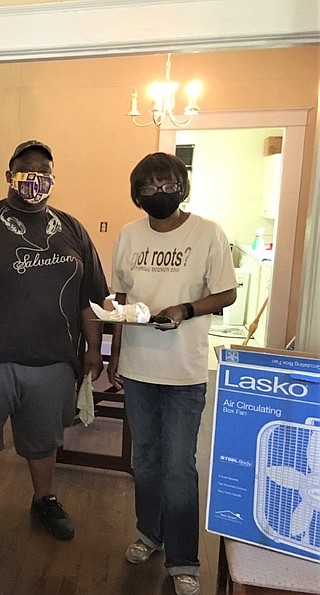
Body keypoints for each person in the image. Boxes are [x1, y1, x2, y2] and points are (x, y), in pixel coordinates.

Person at [0, 140, 108, 552]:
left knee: (43, 438)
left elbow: (91, 298)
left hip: (52, 360)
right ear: (9, 175)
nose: (34, 176)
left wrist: (93, 349)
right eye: (25, 169)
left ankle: (43, 500)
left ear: (53, 177)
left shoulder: (72, 229)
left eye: (43, 169)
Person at [107, 152, 237, 595]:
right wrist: (114, 354)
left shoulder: (208, 234)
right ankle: (149, 534)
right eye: (149, 187)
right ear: (137, 192)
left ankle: (184, 559)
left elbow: (226, 293)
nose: (158, 193)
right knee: (144, 460)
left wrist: (185, 309)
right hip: (139, 368)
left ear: (181, 187)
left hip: (184, 370)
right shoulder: (127, 235)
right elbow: (121, 300)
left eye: (167, 185)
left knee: (179, 466)